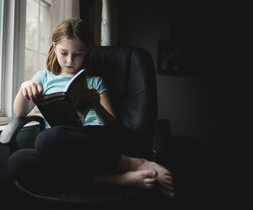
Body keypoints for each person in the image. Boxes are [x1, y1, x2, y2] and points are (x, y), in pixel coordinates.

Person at [9, 18, 175, 198]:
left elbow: (114, 126)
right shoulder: (43, 78)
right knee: (18, 162)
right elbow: (20, 112)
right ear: (54, 46)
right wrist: (24, 88)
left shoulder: (94, 81)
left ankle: (136, 163)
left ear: (87, 50)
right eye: (64, 53)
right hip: (63, 148)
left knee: (45, 139)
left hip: (95, 140)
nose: (70, 60)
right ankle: (117, 179)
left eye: (77, 54)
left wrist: (97, 106)